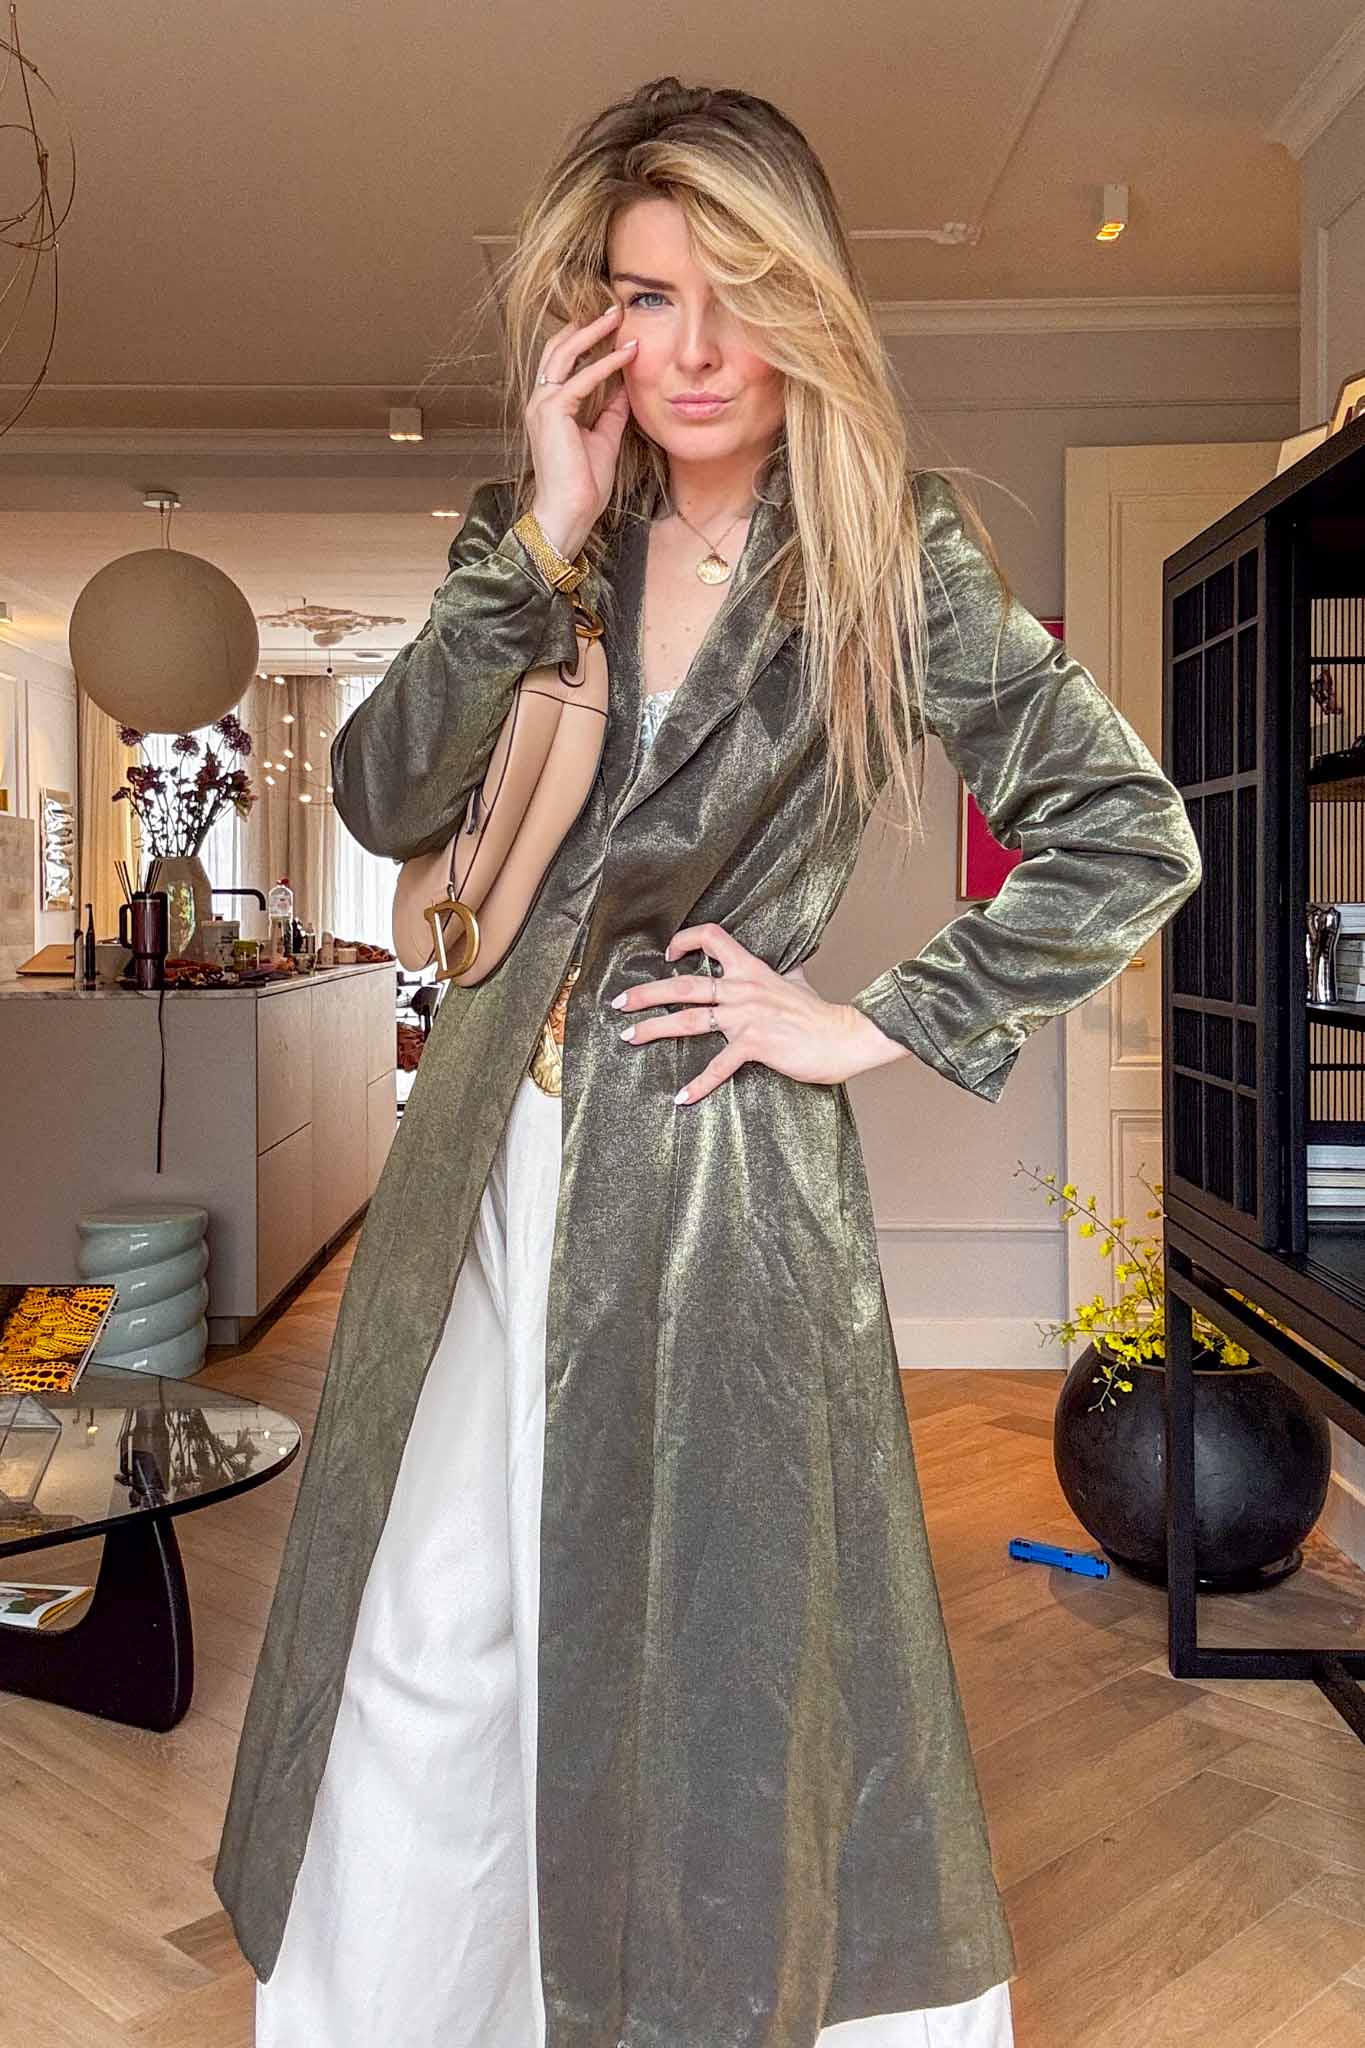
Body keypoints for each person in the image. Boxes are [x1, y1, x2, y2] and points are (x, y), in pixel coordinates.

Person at [216, 76, 1203, 2048]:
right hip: (476, 1151)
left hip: (707, 1175)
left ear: (807, 300)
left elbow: (1124, 828)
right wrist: (537, 528)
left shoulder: (891, 551)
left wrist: (863, 1019)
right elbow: (383, 792)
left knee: (716, 1662)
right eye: (645, 295)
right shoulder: (542, 538)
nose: (688, 349)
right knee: (422, 1631)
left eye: (734, 292)